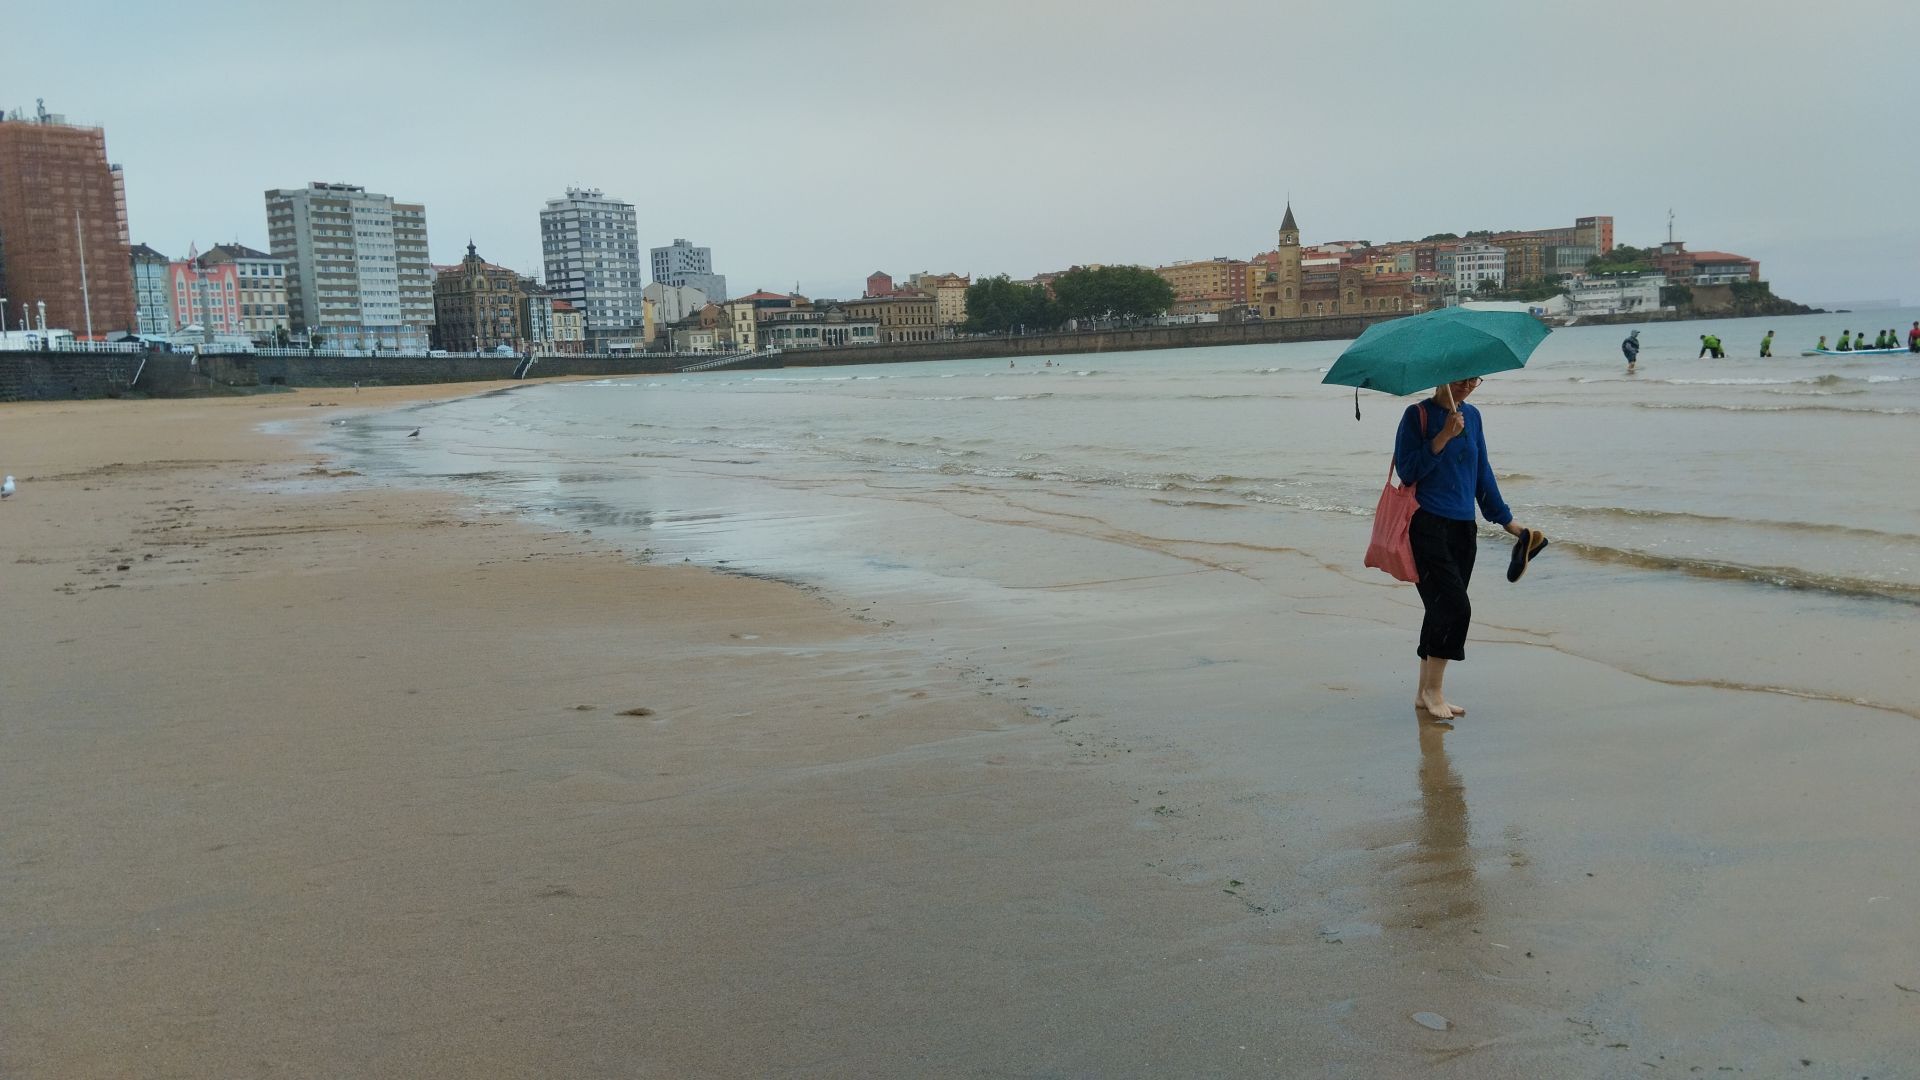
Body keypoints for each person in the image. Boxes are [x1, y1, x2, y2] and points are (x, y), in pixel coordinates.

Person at [1393, 376, 1536, 723]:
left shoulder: (1472, 416)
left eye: (1475, 379)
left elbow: (1481, 472)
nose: (1469, 385)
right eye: (1462, 379)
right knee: (1456, 608)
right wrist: (1442, 437)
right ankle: (1434, 691)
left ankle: (1422, 692)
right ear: (1441, 377)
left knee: (1439, 609)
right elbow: (1408, 471)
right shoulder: (1417, 416)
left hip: (1463, 528)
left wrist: (1507, 522)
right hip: (1425, 524)